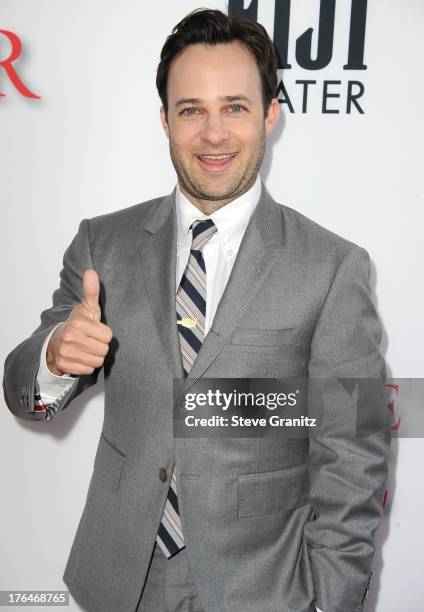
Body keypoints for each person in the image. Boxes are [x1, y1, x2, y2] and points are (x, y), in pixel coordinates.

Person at [3, 8, 390, 612]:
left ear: (270, 114)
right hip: (118, 577)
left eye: (235, 107)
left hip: (264, 585)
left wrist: (330, 598)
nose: (213, 134)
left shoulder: (335, 266)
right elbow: (24, 385)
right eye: (191, 110)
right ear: (165, 120)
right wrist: (56, 354)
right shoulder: (103, 243)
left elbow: (356, 451)